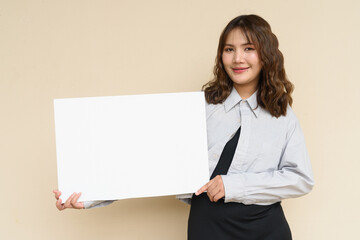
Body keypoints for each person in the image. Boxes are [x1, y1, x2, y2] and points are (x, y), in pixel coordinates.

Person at [54, 14, 314, 239]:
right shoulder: (200, 107)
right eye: (228, 49)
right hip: (208, 228)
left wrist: (234, 186)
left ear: (265, 54)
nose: (237, 58)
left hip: (266, 230)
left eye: (248, 48)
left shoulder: (282, 115)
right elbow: (148, 161)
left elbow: (300, 179)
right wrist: (88, 196)